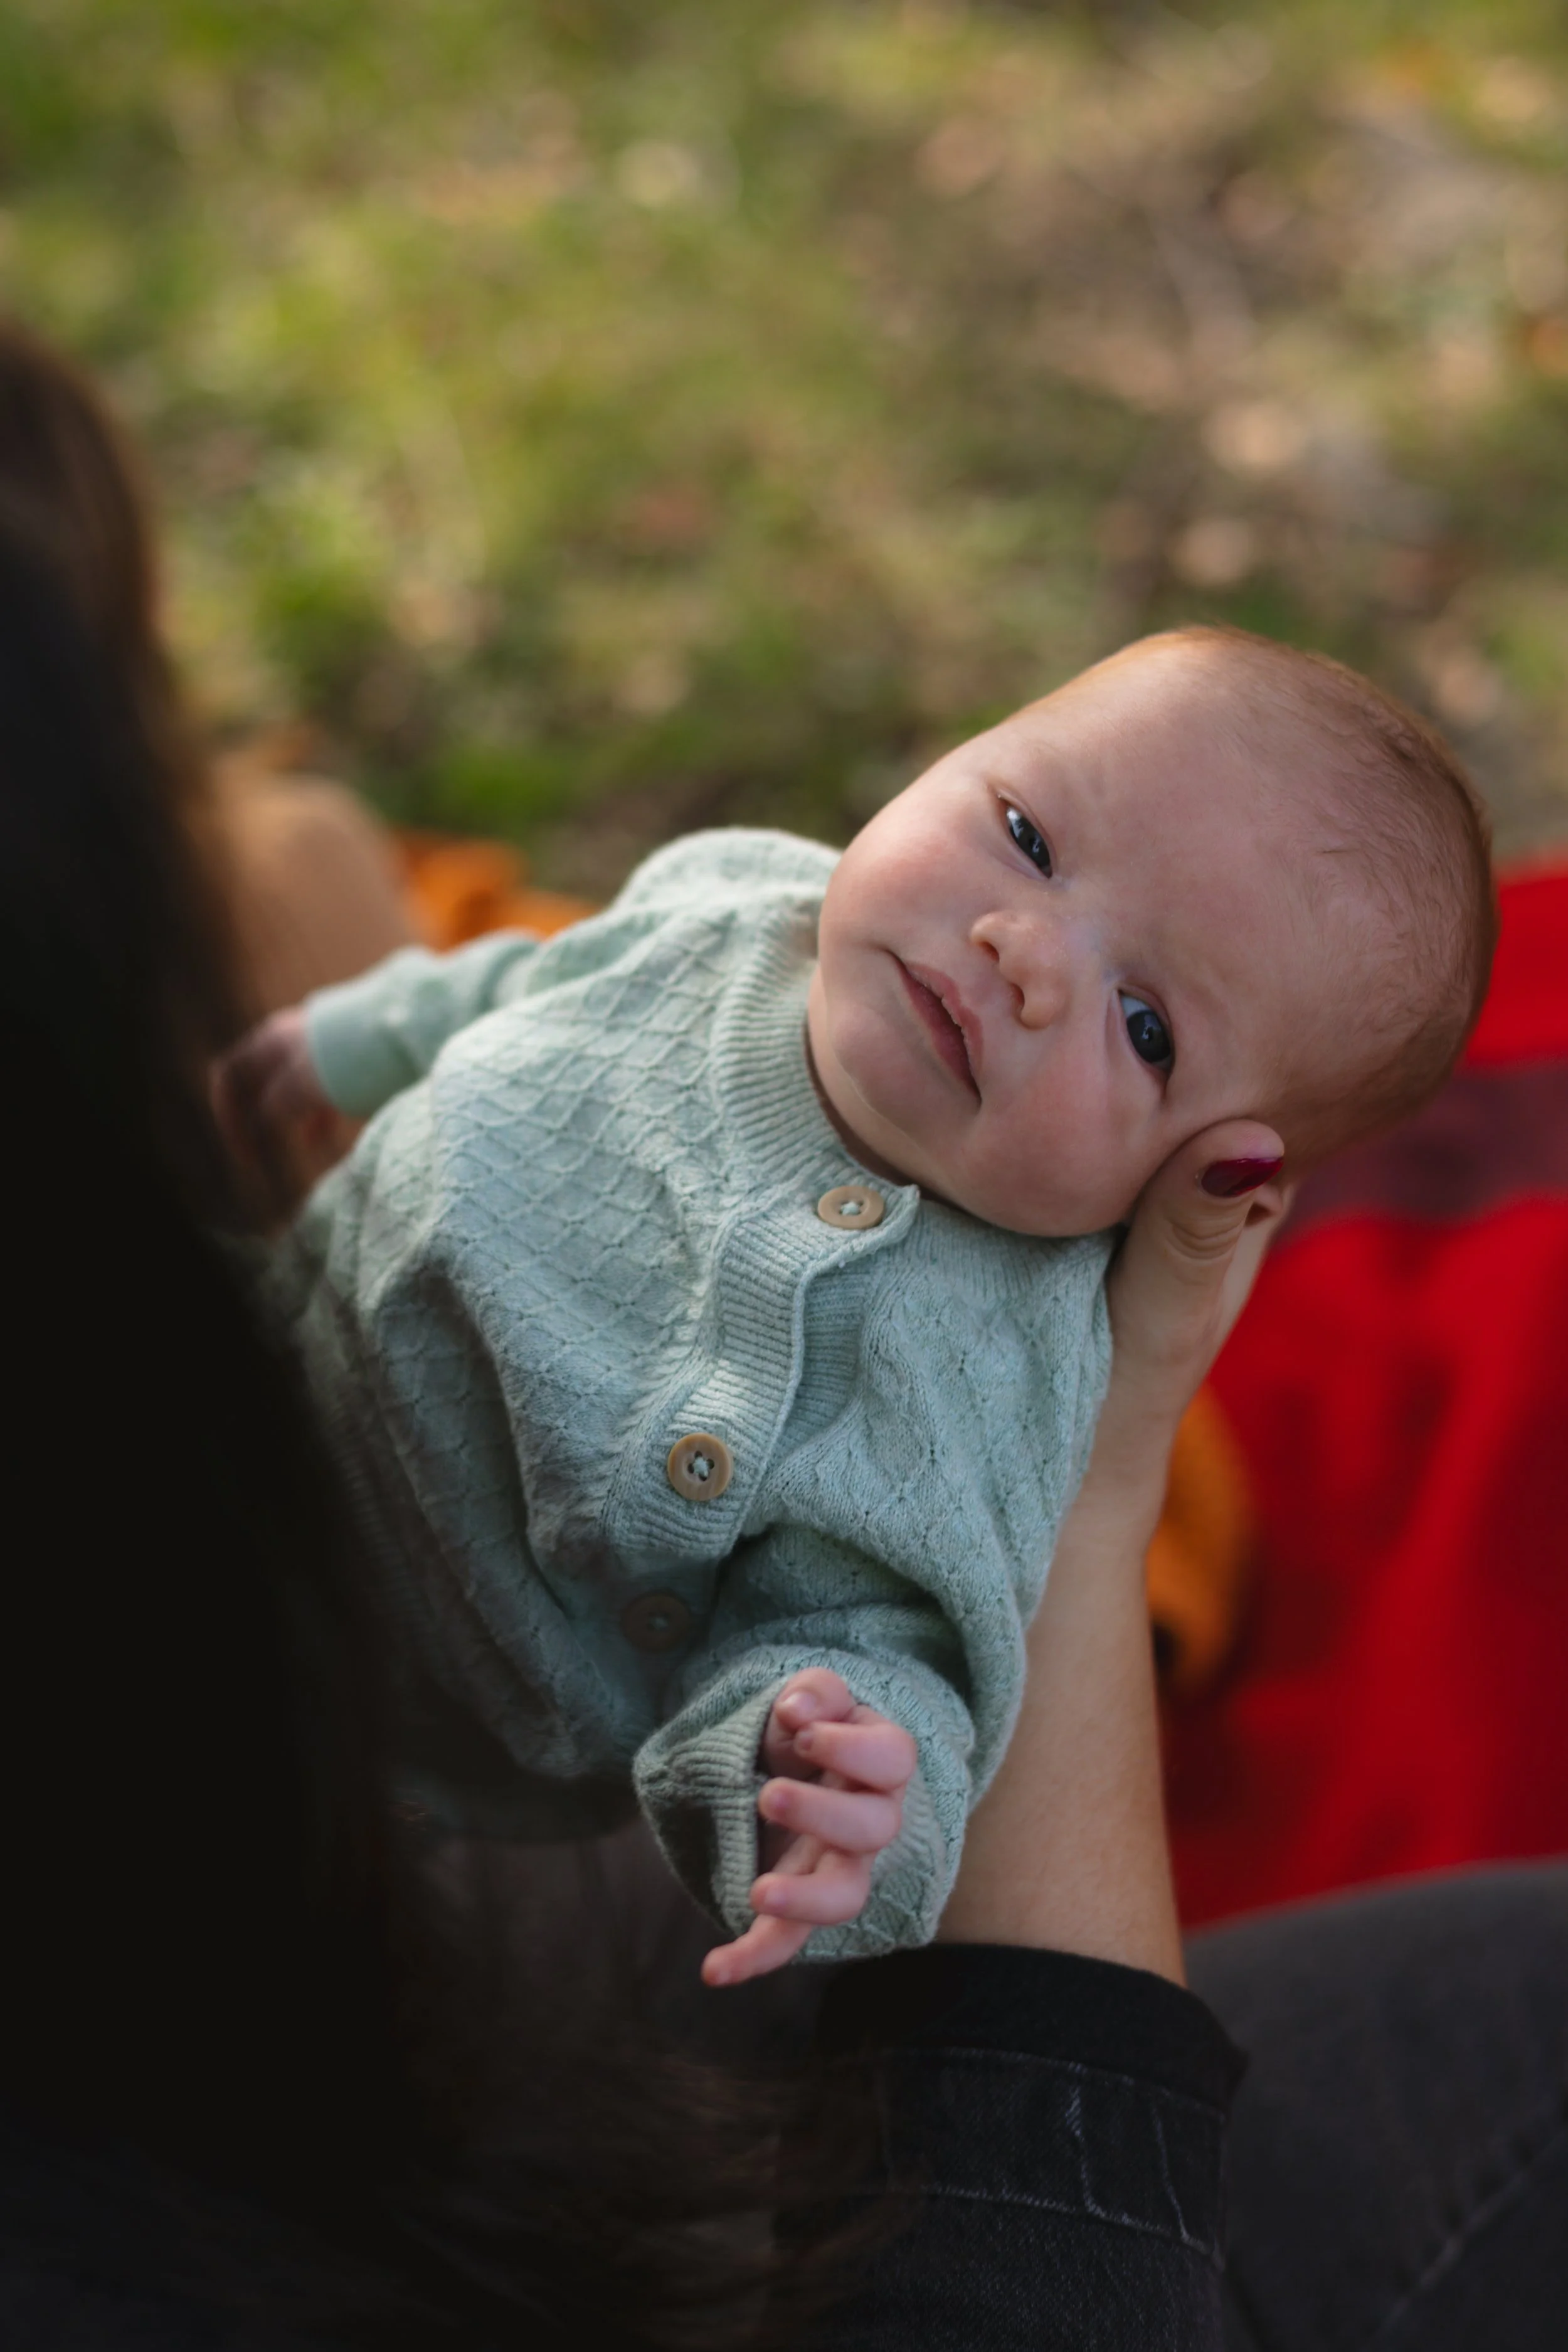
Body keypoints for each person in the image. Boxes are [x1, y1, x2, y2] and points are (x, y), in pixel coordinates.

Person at [215, 625, 1494, 1980]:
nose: (1025, 954)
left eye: (1145, 1027)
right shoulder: (740, 899)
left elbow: (878, 1642)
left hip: (373, 1703)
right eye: (1026, 834)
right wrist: (348, 1039)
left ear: (1199, 1175)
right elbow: (531, 983)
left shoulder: (985, 1365)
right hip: (249, 1346)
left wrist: (834, 1779)